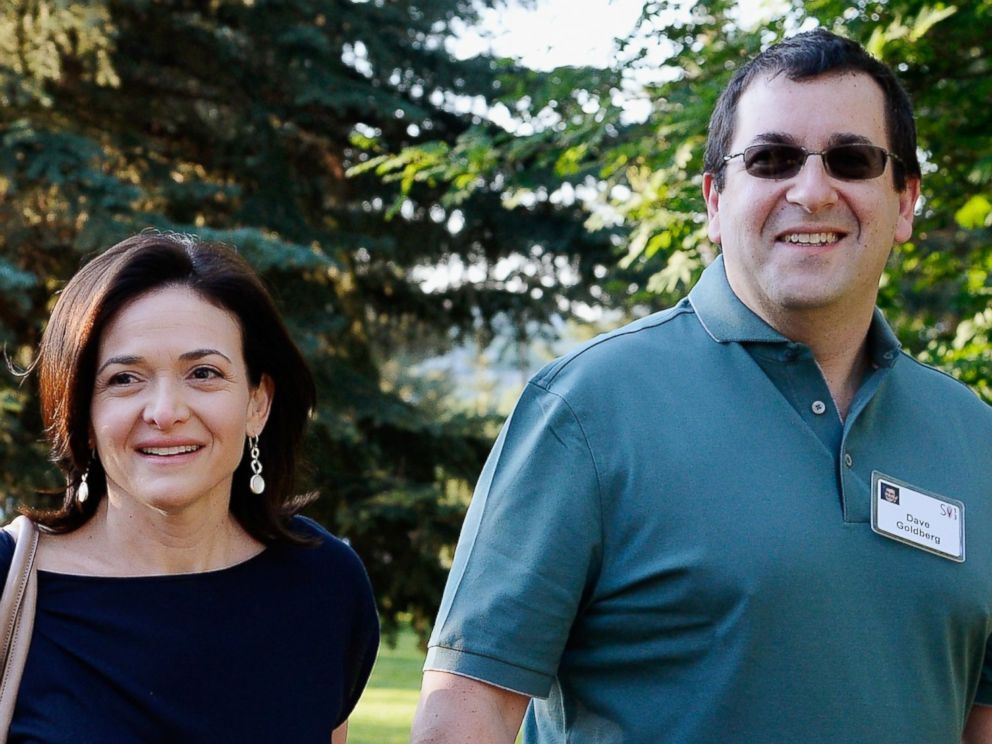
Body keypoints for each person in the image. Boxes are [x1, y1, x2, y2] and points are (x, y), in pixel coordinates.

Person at [411, 29, 992, 744]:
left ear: (905, 202)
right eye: (772, 159)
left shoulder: (974, 438)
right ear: (715, 201)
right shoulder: (587, 409)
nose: (812, 191)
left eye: (852, 159)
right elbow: (462, 717)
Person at [0, 232, 379, 742]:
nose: (165, 412)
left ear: (256, 403)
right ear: (83, 415)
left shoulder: (326, 585)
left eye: (203, 373)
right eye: (124, 379)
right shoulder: (8, 583)